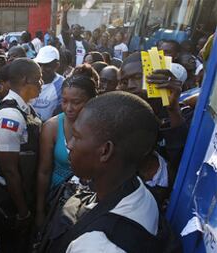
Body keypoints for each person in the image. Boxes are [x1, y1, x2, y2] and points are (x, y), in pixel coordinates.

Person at [44, 92, 162, 252]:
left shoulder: (98, 245)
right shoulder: (138, 191)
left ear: (105, 151)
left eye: (76, 137)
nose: (69, 145)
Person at [0, 58, 42, 253]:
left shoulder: (25, 108)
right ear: (26, 80)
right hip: (11, 201)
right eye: (39, 79)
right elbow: (10, 170)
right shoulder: (10, 116)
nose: (41, 84)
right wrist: (23, 212)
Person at [35, 65, 97, 228]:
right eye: (64, 101)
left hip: (88, 204)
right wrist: (40, 210)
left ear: (91, 101)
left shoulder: (101, 128)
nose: (69, 108)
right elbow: (44, 171)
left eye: (76, 102)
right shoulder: (52, 127)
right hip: (56, 200)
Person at [118, 52, 190, 187]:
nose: (130, 86)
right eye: (124, 81)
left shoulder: (184, 114)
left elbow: (183, 162)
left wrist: (173, 110)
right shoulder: (123, 115)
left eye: (137, 77)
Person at [31, 46, 65, 121]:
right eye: (39, 65)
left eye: (47, 65)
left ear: (56, 65)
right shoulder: (29, 81)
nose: (42, 70)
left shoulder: (62, 84)